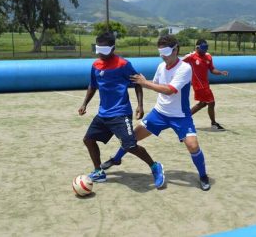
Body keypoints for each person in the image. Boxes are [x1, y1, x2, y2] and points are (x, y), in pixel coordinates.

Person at [101, 35, 211, 191]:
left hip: (180, 116)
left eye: (166, 51)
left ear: (176, 49)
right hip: (159, 113)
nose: (163, 56)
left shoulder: (185, 68)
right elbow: (157, 84)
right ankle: (116, 159)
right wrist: (145, 82)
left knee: (193, 146)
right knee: (131, 138)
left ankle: (203, 175)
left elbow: (170, 90)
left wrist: (145, 83)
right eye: (161, 52)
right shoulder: (161, 67)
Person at [78, 32, 164, 189]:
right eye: (99, 50)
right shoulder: (95, 65)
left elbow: (137, 82)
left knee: (130, 145)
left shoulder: (123, 64)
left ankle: (154, 166)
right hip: (103, 113)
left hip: (120, 112)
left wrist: (140, 105)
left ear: (113, 48)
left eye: (104, 51)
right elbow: (93, 85)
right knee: (88, 140)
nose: (101, 54)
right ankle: (98, 171)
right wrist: (85, 104)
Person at [183, 39, 229, 130]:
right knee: (211, 102)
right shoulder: (191, 57)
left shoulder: (208, 57)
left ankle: (184, 118)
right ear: (197, 47)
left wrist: (220, 72)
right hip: (199, 85)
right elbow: (178, 64)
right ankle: (214, 124)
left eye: (206, 47)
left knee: (202, 104)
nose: (205, 50)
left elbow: (212, 69)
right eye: (203, 48)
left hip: (205, 84)